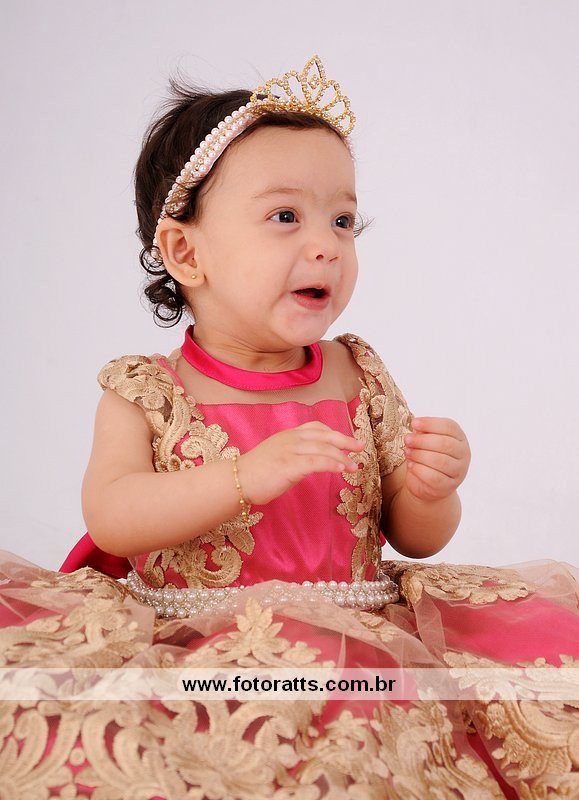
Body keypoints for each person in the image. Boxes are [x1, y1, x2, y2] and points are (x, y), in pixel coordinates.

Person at [0, 56, 577, 799]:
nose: (326, 244)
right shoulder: (147, 390)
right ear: (186, 252)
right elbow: (112, 515)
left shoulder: (357, 372)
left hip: (363, 640)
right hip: (202, 647)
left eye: (343, 220)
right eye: (285, 217)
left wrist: (432, 488)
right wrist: (243, 477)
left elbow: (414, 536)